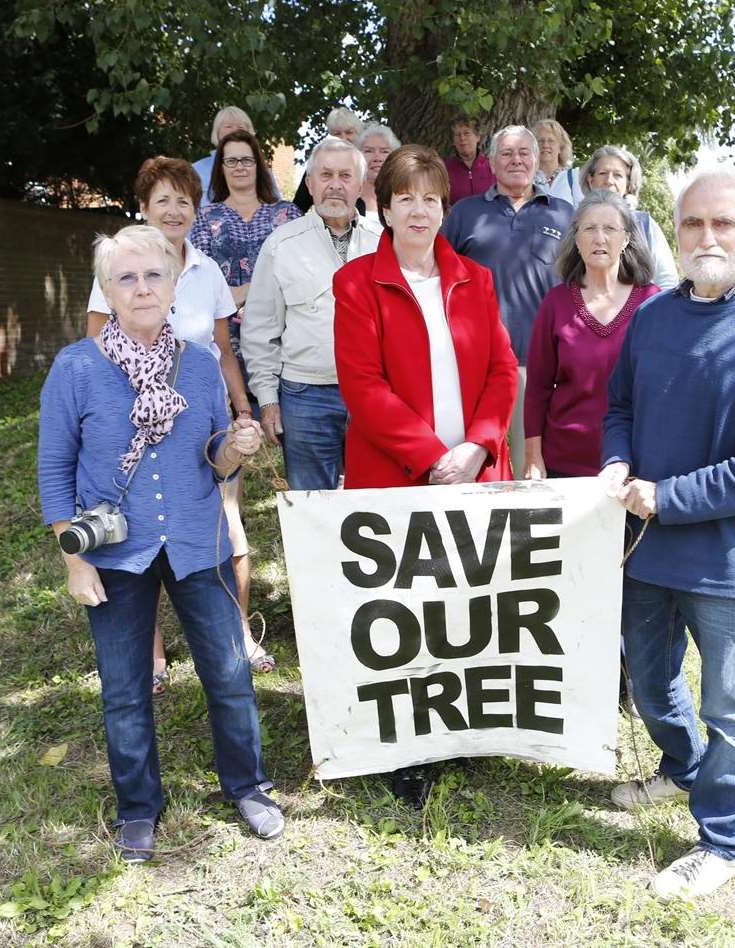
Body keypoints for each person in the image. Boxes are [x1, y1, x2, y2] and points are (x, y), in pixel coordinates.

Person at [600, 168, 735, 898]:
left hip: (725, 558)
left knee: (729, 704)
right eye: (693, 223)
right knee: (654, 682)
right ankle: (680, 768)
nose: (707, 237)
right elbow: (620, 405)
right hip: (645, 547)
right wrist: (618, 458)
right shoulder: (653, 318)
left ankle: (722, 839)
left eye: (723, 223)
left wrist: (671, 495)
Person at [40, 225, 286, 861]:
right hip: (117, 554)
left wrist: (234, 446)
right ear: (107, 290)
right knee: (124, 691)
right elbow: (54, 470)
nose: (142, 287)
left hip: (194, 542)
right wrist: (73, 560)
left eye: (153, 275)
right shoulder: (77, 368)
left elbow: (215, 459)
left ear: (175, 283)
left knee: (229, 673)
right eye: (126, 277)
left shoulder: (200, 367)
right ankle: (138, 808)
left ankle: (247, 784)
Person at [333, 144, 517, 803]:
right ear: (383, 207)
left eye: (431, 198)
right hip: (396, 477)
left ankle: (458, 732)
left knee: (464, 607)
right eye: (405, 197)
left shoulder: (475, 278)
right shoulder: (356, 284)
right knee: (404, 616)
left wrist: (477, 446)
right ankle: (405, 750)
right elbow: (363, 387)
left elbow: (501, 373)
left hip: (470, 472)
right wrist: (431, 456)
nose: (419, 209)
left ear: (445, 208)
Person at [85, 158, 268, 682]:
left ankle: (237, 635)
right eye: (162, 200)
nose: (174, 209)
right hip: (138, 427)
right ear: (143, 208)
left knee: (228, 534)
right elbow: (98, 345)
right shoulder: (124, 265)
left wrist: (240, 409)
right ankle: (154, 653)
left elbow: (222, 351)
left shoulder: (206, 270)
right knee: (145, 542)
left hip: (201, 423)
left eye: (184, 200)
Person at [241, 136, 382, 490]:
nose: (335, 185)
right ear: (309, 183)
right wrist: (269, 401)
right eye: (326, 175)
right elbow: (260, 331)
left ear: (361, 184)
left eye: (345, 176)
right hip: (306, 396)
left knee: (377, 500)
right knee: (312, 507)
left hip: (375, 394)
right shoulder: (281, 245)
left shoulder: (384, 243)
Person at [442, 124, 572, 474]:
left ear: (536, 159)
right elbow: (438, 279)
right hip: (476, 364)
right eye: (507, 153)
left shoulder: (564, 214)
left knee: (534, 470)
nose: (516, 160)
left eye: (524, 152)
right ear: (493, 163)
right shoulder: (464, 214)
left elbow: (581, 284)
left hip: (544, 364)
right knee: (476, 465)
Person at [522, 190, 659, 480]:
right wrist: (534, 458)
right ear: (576, 238)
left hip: (634, 468)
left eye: (610, 228)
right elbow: (537, 388)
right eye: (590, 229)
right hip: (564, 465)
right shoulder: (556, 303)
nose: (600, 238)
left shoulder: (653, 303)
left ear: (626, 239)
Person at [190, 128, 302, 424]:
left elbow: (301, 274)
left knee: (285, 432)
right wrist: (252, 291)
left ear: (258, 165)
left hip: (280, 338)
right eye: (231, 161)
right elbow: (199, 283)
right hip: (224, 339)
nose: (240, 167)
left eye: (247, 160)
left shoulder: (287, 215)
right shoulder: (205, 219)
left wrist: (246, 293)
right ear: (221, 168)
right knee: (232, 435)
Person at [580, 145, 680, 290]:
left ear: (628, 185)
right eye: (603, 173)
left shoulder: (645, 225)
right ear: (590, 180)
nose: (609, 180)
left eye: (617, 175)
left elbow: (666, 279)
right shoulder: (574, 223)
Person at [192, 106, 279, 207]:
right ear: (217, 132)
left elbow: (275, 205)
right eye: (228, 126)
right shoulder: (196, 170)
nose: (235, 131)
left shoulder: (263, 170)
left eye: (241, 127)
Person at [292, 107, 364, 214]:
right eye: (337, 133)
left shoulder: (370, 165)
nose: (343, 138)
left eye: (349, 132)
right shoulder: (316, 168)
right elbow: (297, 209)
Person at [532, 119, 585, 205]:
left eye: (551, 141)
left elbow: (583, 212)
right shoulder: (526, 178)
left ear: (561, 147)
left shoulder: (574, 177)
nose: (545, 145)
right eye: (540, 141)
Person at [357, 123, 400, 221]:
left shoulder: (405, 200)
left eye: (384, 151)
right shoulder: (348, 200)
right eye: (369, 151)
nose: (377, 158)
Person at [445, 117, 494, 201]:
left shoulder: (493, 167)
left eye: (466, 133)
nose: (462, 138)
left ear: (477, 137)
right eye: (457, 135)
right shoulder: (444, 169)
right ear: (453, 141)